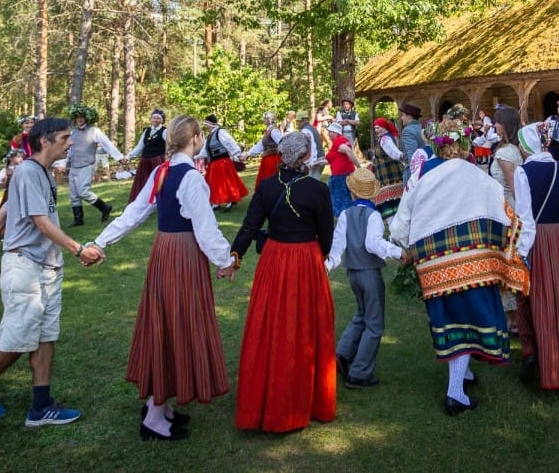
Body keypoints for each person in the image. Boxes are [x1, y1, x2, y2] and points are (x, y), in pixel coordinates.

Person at [90, 115, 236, 440]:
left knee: (165, 322)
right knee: (176, 325)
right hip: (183, 256)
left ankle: (163, 406)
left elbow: (134, 213)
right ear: (196, 138)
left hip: (164, 253)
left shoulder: (162, 171)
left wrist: (100, 241)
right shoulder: (191, 178)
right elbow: (206, 229)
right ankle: (155, 415)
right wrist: (226, 261)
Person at [0, 117, 104, 427]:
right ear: (45, 141)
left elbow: (5, 210)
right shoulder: (27, 171)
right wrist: (79, 249)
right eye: (65, 137)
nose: (70, 142)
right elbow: (40, 221)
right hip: (25, 265)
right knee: (18, 339)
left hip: (49, 266)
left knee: (45, 336)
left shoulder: (43, 173)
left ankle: (41, 407)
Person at [390, 117, 524, 416]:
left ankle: (461, 375)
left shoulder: (424, 177)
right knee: (473, 319)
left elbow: (401, 224)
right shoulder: (476, 176)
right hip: (473, 264)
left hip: (435, 265)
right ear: (464, 144)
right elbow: (503, 211)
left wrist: (409, 248)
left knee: (448, 319)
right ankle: (455, 394)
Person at [230, 131, 336, 432]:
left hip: (274, 261)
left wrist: (235, 256)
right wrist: (321, 256)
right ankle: (306, 401)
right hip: (305, 260)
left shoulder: (265, 186)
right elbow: (326, 234)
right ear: (304, 157)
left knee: (272, 326)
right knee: (304, 327)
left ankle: (265, 401)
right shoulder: (317, 190)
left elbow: (249, 227)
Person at [513, 122, 559, 390]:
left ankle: (535, 355)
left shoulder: (523, 172)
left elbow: (526, 220)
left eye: (521, 142)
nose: (519, 146)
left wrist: (520, 252)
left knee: (534, 296)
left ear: (528, 143)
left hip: (540, 239)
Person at [327, 167, 402, 389]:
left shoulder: (344, 215)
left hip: (352, 272)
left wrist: (328, 265)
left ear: (352, 192)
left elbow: (338, 245)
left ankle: (342, 353)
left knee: (361, 313)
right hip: (369, 272)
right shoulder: (374, 215)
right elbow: (373, 243)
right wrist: (398, 252)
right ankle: (360, 372)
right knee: (375, 323)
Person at [489, 106, 538, 336]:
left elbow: (517, 189)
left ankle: (513, 320)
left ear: (505, 124)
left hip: (508, 213)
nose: (494, 125)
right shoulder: (515, 149)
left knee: (508, 261)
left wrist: (517, 218)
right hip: (508, 210)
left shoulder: (504, 154)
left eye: (497, 122)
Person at [66, 104, 123, 226]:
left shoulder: (94, 131)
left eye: (82, 117)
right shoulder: (73, 132)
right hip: (74, 165)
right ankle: (78, 219)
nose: (80, 119)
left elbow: (107, 144)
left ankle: (104, 207)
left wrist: (119, 157)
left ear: (87, 118)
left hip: (87, 165)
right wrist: (63, 163)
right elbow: (69, 150)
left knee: (83, 191)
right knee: (74, 194)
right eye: (78, 117)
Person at [198, 115, 248, 212]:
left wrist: (237, 154)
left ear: (211, 124)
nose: (206, 126)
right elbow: (205, 150)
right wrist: (194, 156)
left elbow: (231, 143)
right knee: (213, 183)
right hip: (214, 163)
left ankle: (230, 200)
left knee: (225, 182)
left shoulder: (220, 132)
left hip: (222, 161)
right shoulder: (210, 135)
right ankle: (217, 202)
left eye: (207, 124)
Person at [123, 109, 167, 205]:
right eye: (154, 118)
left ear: (162, 120)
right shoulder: (147, 131)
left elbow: (171, 145)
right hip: (145, 160)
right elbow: (139, 147)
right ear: (151, 119)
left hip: (158, 160)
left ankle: (161, 201)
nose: (155, 120)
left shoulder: (165, 131)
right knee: (143, 182)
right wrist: (128, 157)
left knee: (159, 181)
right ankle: (142, 202)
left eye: (158, 118)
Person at [368, 117, 405, 219]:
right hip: (388, 174)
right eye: (375, 128)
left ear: (384, 128)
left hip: (390, 175)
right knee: (393, 199)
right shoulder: (383, 138)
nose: (376, 130)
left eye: (378, 128)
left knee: (390, 200)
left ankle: (394, 223)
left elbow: (394, 153)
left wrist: (403, 156)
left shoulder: (385, 139)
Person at [325, 122, 360, 217]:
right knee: (347, 197)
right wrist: (316, 163)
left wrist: (359, 166)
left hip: (341, 176)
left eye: (330, 132)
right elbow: (335, 158)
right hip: (344, 174)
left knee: (341, 199)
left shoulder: (338, 141)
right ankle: (350, 218)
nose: (328, 134)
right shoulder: (342, 140)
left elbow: (348, 151)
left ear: (336, 132)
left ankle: (345, 220)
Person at [239, 111, 283, 187]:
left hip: (273, 160)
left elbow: (282, 143)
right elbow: (260, 145)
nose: (263, 120)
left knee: (270, 179)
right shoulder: (269, 130)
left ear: (269, 119)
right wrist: (248, 153)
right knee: (266, 180)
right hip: (268, 159)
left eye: (265, 118)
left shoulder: (274, 131)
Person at [398, 103, 424, 185]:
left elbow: (412, 156)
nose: (401, 118)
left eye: (403, 115)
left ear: (409, 116)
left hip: (413, 172)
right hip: (424, 169)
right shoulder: (421, 128)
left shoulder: (407, 130)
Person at [297, 113, 326, 178]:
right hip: (319, 158)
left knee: (312, 184)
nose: (297, 123)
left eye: (299, 121)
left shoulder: (305, 131)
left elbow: (311, 147)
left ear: (305, 120)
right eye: (297, 121)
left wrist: (311, 162)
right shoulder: (311, 128)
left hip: (315, 161)